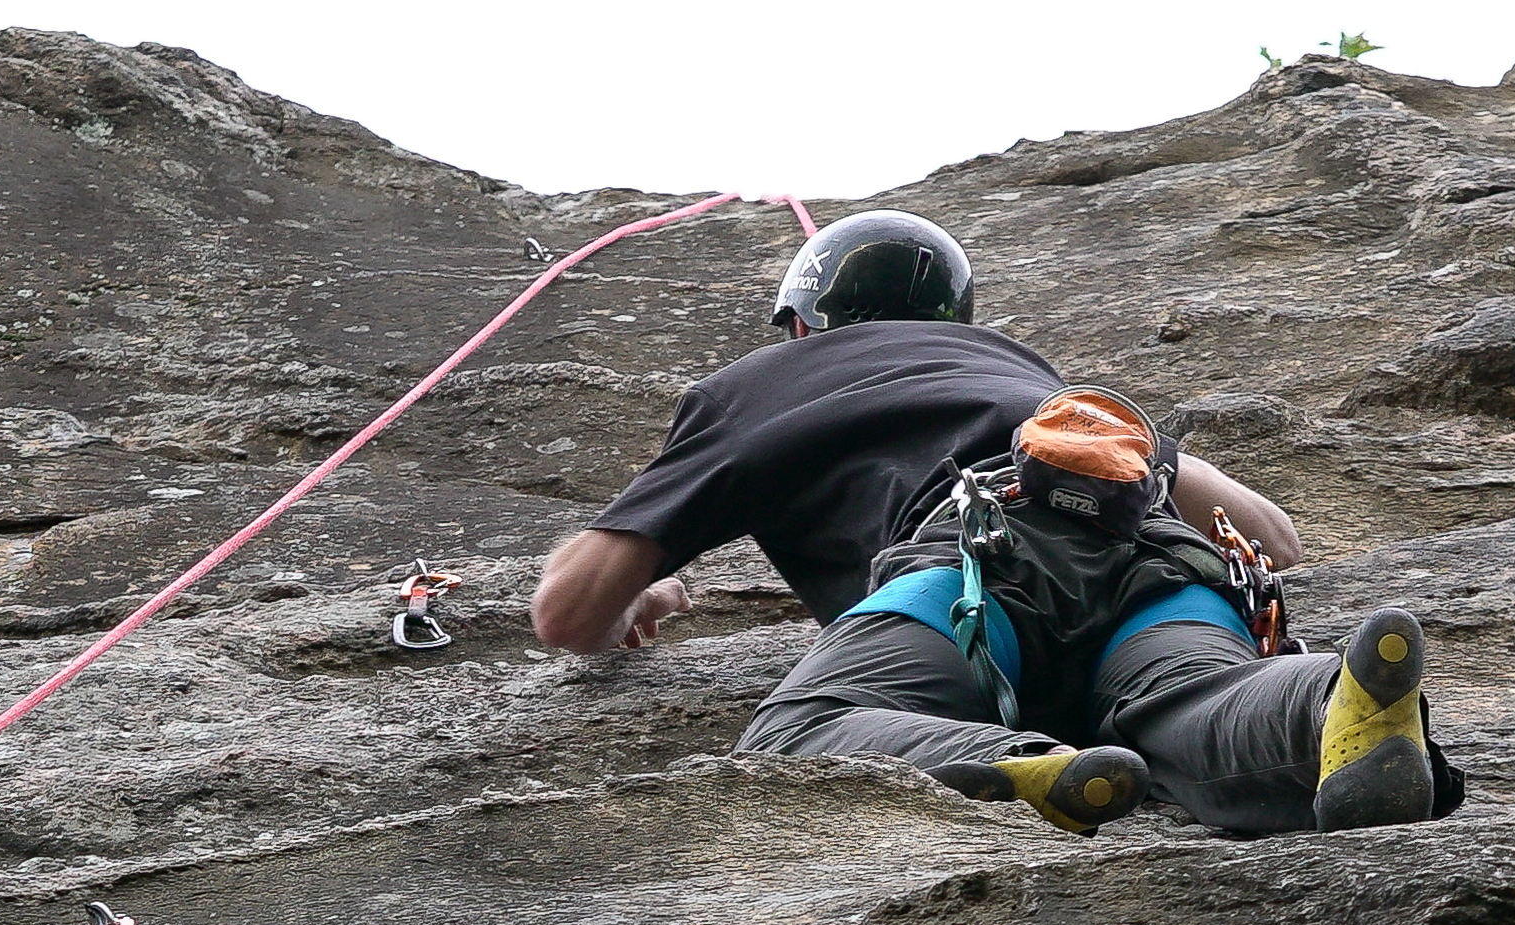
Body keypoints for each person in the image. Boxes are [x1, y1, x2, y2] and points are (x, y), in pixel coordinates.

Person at [529, 211, 1457, 836]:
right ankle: (1325, 706)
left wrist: (633, 598)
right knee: (1190, 700)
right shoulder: (1022, 373)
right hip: (1157, 564)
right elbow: (1274, 539)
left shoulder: (751, 388)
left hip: (971, 566)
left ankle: (1016, 763)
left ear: (802, 323)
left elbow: (566, 612)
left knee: (804, 728)